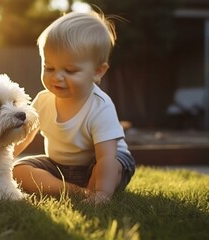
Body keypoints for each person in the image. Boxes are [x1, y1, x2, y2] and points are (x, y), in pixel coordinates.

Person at [13, 10, 135, 205]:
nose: (56, 76)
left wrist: (102, 194)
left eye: (69, 70)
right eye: (49, 68)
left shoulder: (100, 107)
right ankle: (75, 191)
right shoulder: (44, 100)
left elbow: (106, 157)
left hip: (99, 164)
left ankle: (97, 191)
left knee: (113, 166)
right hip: (58, 166)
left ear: (97, 72)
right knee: (18, 170)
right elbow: (23, 136)